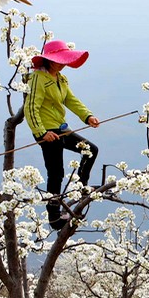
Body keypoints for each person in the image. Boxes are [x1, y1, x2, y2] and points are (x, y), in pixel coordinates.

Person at [26, 40, 101, 230]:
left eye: (63, 60)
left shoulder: (60, 78)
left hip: (61, 128)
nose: (61, 64)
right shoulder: (37, 78)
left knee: (90, 150)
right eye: (57, 60)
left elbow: (70, 99)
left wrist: (88, 116)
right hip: (47, 131)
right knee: (56, 172)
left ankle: (81, 188)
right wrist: (41, 133)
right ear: (48, 60)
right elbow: (31, 107)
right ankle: (54, 218)